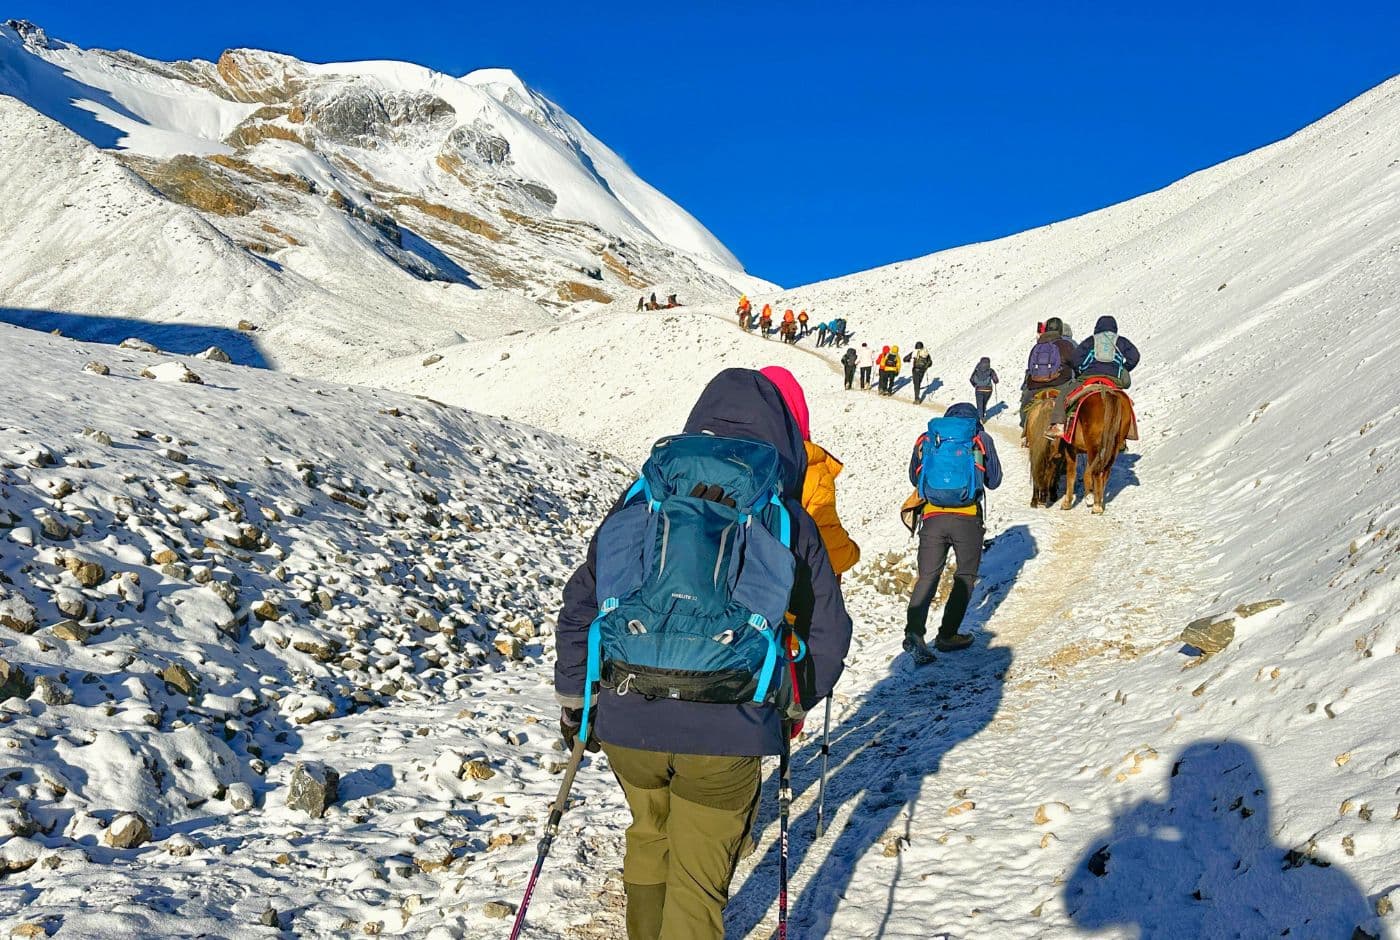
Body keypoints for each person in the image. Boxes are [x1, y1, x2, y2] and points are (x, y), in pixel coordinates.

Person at [555, 368, 853, 940]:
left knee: (649, 832)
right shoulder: (784, 514)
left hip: (626, 713)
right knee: (697, 878)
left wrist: (576, 699)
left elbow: (581, 605)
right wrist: (793, 701)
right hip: (730, 722)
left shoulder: (646, 497)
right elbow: (829, 631)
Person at [903, 402, 1003, 664]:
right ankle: (947, 635)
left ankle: (914, 632)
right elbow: (995, 480)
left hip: (933, 517)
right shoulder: (980, 438)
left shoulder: (928, 437)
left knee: (927, 576)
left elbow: (915, 478)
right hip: (967, 518)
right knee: (965, 576)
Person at [761, 366, 861, 577]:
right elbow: (832, 553)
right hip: (790, 599)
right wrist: (852, 552)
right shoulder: (812, 470)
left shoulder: (728, 461)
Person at [1020, 316, 1079, 441]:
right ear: (1061, 329)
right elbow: (1076, 364)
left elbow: (1030, 368)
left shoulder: (1037, 346)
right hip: (1061, 384)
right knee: (1076, 404)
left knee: (1025, 405)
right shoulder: (1066, 345)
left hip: (1036, 386)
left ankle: (1026, 432)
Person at [1075, 315, 1140, 389]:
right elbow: (1135, 357)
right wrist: (1123, 368)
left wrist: (1080, 370)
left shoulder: (1090, 340)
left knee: (1073, 393)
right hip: (1114, 377)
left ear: (1097, 327)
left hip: (1090, 375)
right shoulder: (1121, 341)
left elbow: (1076, 358)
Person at [969, 357, 999, 421]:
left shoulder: (977, 370)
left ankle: (981, 418)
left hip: (979, 389)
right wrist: (995, 381)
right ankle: (982, 414)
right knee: (984, 403)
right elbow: (996, 380)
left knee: (979, 404)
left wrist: (975, 385)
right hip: (988, 389)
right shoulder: (991, 370)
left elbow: (971, 379)